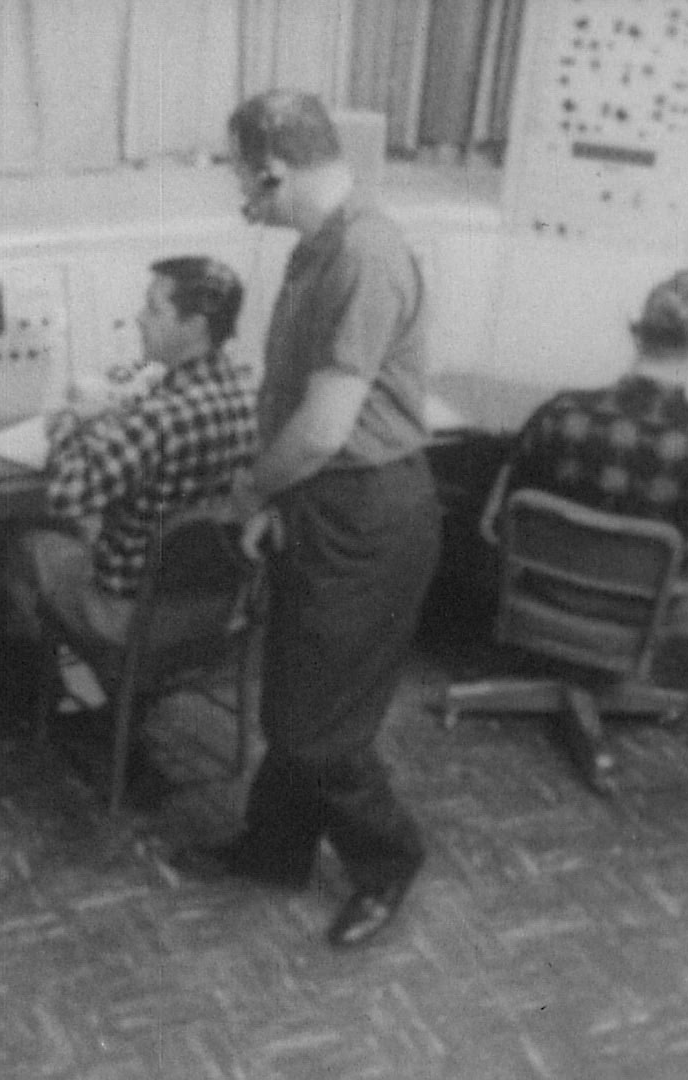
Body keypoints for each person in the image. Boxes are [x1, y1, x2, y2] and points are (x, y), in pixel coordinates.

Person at [171, 90, 442, 953]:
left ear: (273, 170)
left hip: (367, 511)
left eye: (238, 175)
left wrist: (252, 493)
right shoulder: (315, 248)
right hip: (322, 501)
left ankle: (389, 858)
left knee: (319, 728)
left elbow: (325, 429)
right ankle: (274, 849)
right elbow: (297, 403)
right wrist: (282, 502)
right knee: (297, 696)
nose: (238, 194)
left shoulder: (364, 255)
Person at [0, 255, 258, 657]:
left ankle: (49, 680)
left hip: (128, 617)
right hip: (217, 613)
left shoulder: (158, 419)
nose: (139, 318)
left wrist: (72, 419)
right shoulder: (247, 393)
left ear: (194, 326)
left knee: (18, 539)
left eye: (154, 309)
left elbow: (65, 496)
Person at [485, 268, 688, 552]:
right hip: (648, 582)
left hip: (542, 577)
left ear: (636, 334)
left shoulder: (558, 413)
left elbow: (497, 516)